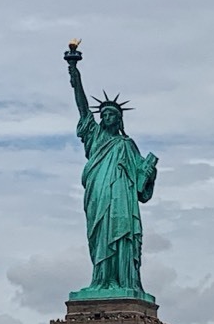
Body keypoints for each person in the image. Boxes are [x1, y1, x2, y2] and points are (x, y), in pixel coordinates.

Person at [66, 51, 157, 299]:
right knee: (99, 235)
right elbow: (83, 107)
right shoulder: (94, 136)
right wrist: (74, 72)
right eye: (103, 114)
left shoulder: (127, 145)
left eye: (111, 114)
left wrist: (149, 170)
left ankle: (125, 281)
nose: (106, 117)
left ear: (119, 119)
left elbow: (141, 185)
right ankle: (101, 280)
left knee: (123, 236)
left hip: (122, 201)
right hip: (98, 193)